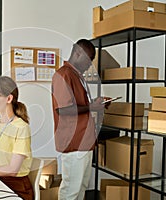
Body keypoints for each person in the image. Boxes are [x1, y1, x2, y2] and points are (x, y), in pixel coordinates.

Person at [51, 39, 109, 200]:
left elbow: (78, 105)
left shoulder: (76, 75)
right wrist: (93, 107)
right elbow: (63, 109)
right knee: (71, 191)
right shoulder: (63, 75)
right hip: (74, 142)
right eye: (89, 59)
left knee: (80, 188)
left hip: (84, 141)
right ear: (77, 53)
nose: (90, 65)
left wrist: (95, 103)